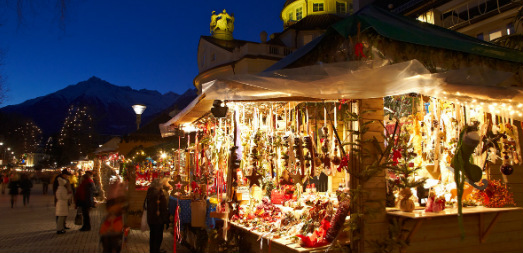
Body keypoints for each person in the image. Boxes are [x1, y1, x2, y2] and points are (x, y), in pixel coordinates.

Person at [100, 180, 128, 253]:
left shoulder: (113, 198)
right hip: (114, 229)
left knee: (109, 247)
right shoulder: (117, 200)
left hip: (110, 229)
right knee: (113, 247)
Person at [146, 178, 171, 253]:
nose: (162, 186)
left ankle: (153, 250)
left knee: (153, 235)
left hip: (152, 218)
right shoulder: (158, 194)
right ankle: (155, 250)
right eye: (161, 184)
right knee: (157, 236)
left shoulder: (150, 193)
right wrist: (166, 219)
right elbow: (162, 207)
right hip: (158, 219)